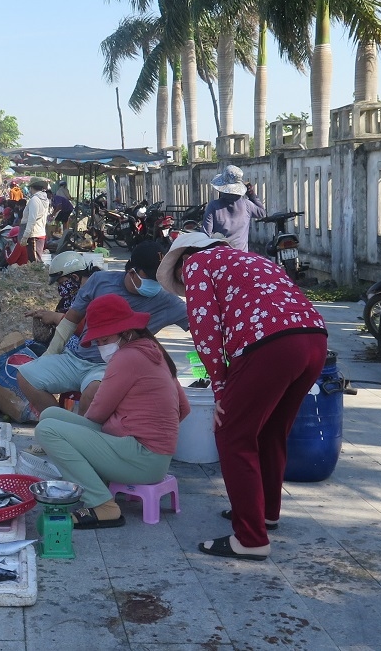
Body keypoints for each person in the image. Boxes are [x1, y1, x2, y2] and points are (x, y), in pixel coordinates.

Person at [157, 232, 327, 561]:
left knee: (233, 434)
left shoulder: (196, 263)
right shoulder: (252, 259)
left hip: (270, 344)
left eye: (178, 280)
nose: (183, 285)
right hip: (313, 338)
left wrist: (221, 389)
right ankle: (265, 513)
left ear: (181, 260)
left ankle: (250, 538)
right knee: (271, 430)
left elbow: (205, 330)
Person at [35, 294, 189, 529]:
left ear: (125, 332)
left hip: (142, 459)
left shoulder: (127, 357)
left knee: (48, 430)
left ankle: (102, 505)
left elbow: (97, 414)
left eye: (103, 339)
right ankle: (97, 480)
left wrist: (88, 443)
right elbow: (184, 409)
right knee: (50, 416)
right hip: (152, 456)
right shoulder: (152, 349)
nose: (100, 346)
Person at [17, 241, 188, 417]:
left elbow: (200, 326)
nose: (155, 282)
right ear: (131, 271)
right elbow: (71, 319)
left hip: (111, 366)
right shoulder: (100, 282)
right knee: (26, 376)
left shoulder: (168, 302)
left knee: (93, 393)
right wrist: (51, 354)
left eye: (158, 277)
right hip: (76, 358)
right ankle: (58, 423)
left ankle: (79, 438)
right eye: (150, 276)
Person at [201, 164, 266, 251]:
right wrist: (251, 193)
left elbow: (206, 235)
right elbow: (262, 213)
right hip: (241, 256)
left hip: (221, 256)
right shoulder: (247, 205)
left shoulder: (213, 206)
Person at [21, 178, 51, 262]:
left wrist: (25, 236)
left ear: (32, 188)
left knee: (35, 262)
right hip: (40, 233)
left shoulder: (35, 200)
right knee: (36, 260)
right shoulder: (45, 199)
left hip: (34, 235)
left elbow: (32, 220)